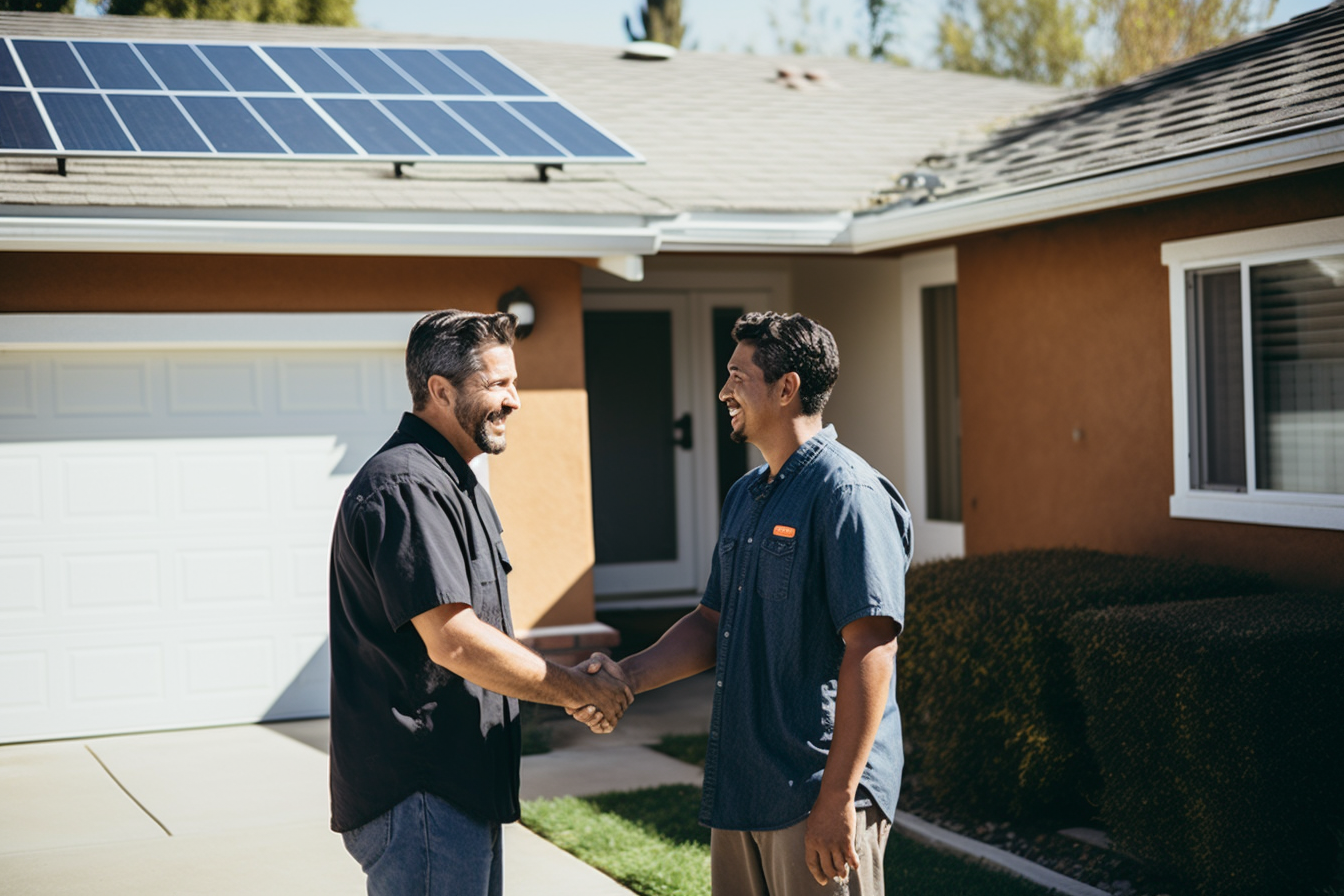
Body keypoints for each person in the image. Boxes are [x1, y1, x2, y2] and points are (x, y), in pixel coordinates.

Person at [576, 311, 911, 895]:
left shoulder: (847, 494)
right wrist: (622, 678)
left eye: (737, 375)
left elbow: (872, 646)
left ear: (787, 388)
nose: (723, 390)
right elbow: (711, 622)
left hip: (815, 790)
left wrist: (838, 798)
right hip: (746, 785)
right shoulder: (747, 493)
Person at [328, 309, 633, 896]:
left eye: (513, 383)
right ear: (440, 391)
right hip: (421, 792)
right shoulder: (407, 487)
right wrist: (577, 688)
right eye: (497, 384)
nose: (514, 400)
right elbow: (455, 639)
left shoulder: (456, 483)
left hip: (456, 786)